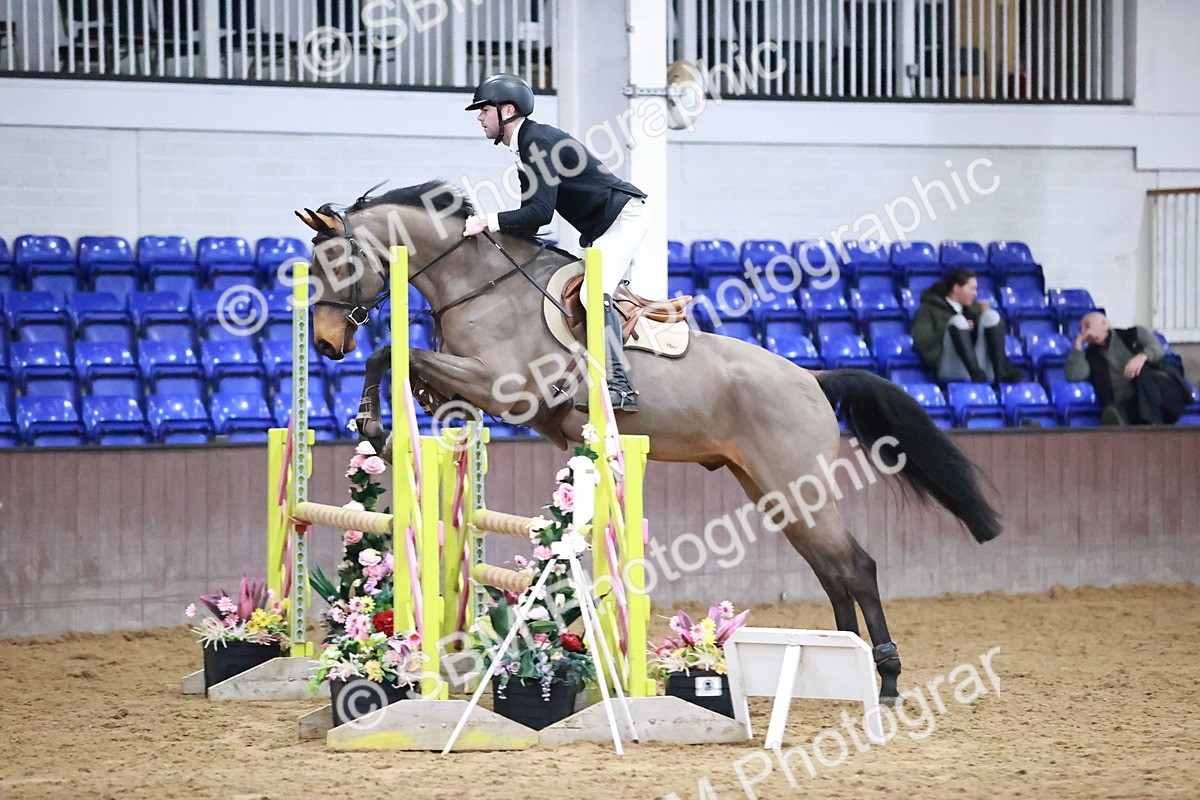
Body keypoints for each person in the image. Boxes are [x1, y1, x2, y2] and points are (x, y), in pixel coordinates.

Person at [462, 73, 649, 413]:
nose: (479, 117)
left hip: (623, 219)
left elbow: (539, 213)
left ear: (507, 111)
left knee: (592, 294)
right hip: (600, 228)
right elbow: (530, 218)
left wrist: (487, 221)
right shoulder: (527, 148)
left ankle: (620, 387)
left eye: (484, 110)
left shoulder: (538, 143)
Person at [1065, 312, 1191, 425]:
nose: (1085, 331)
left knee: (1141, 372)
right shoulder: (1091, 355)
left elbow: (1158, 349)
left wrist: (1142, 357)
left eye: (1088, 326)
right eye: (1082, 329)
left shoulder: (1134, 334)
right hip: (1132, 405)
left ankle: (1152, 427)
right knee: (1114, 412)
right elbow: (1075, 374)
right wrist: (1078, 343)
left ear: (1104, 323)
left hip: (1164, 395)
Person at [910, 268, 1023, 386]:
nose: (975, 293)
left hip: (979, 364)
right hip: (948, 365)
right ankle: (976, 375)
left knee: (992, 316)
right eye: (972, 289)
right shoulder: (928, 309)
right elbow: (921, 341)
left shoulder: (974, 309)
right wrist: (949, 328)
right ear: (957, 288)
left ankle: (1001, 372)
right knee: (958, 321)